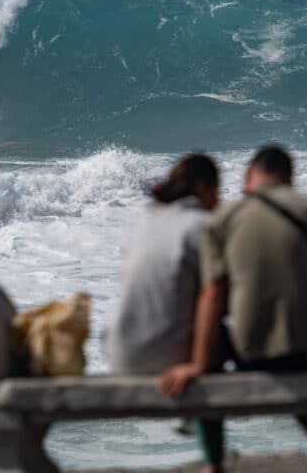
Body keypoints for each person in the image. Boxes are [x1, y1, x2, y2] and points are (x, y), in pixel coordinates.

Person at [159, 145, 307, 473]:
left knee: (282, 346)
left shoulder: (225, 218)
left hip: (256, 355)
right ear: (289, 178)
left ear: (248, 176)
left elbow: (212, 296)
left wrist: (199, 364)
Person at [108, 153, 225, 473]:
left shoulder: (147, 220)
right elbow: (213, 295)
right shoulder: (202, 225)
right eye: (217, 192)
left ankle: (188, 419)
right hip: (166, 358)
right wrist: (198, 364)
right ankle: (214, 462)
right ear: (203, 188)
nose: (218, 201)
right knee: (222, 337)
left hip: (120, 355)